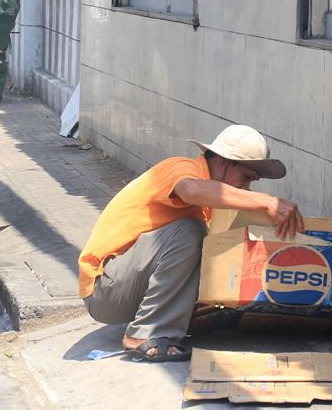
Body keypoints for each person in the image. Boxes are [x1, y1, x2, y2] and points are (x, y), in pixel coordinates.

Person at [78, 124, 304, 363]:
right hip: (104, 291)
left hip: (125, 288)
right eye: (246, 178)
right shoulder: (182, 168)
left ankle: (168, 323)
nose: (246, 188)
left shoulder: (207, 205)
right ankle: (144, 335)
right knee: (190, 231)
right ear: (222, 161)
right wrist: (264, 201)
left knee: (212, 248)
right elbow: (190, 190)